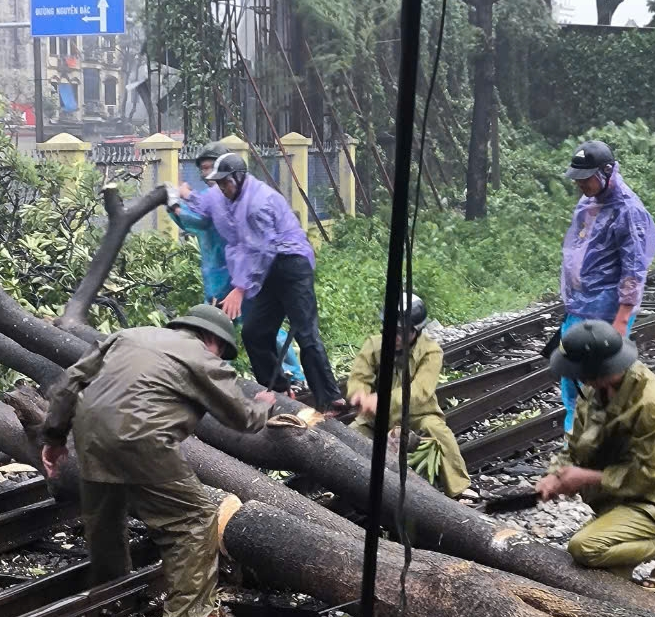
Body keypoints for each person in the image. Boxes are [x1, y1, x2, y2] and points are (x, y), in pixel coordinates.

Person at [40, 304, 275, 617]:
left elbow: (68, 384)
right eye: (222, 348)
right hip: (142, 439)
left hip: (89, 433)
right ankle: (187, 616)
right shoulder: (204, 358)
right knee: (194, 518)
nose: (220, 355)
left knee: (103, 517)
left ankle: (111, 599)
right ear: (212, 339)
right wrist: (263, 406)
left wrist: (52, 437)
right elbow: (243, 419)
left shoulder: (124, 337)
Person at [180, 153, 345, 413]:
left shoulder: (258, 202)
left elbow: (263, 249)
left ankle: (330, 398)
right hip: (267, 271)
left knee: (305, 332)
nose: (222, 189)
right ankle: (278, 390)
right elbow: (208, 208)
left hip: (290, 265)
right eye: (219, 184)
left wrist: (241, 288)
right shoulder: (229, 197)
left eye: (225, 183)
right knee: (255, 332)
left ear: (238, 177)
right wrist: (186, 196)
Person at [536, 319, 655, 596]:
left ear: (598, 370)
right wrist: (556, 473)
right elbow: (575, 445)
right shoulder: (594, 390)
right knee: (603, 582)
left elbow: (651, 475)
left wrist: (587, 477)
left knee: (584, 548)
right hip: (620, 497)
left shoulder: (651, 405)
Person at [166, 141, 305, 389]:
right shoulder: (220, 195)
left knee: (256, 329)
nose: (206, 173)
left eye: (210, 167)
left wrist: (175, 204)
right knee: (239, 329)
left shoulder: (223, 197)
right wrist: (180, 200)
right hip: (223, 276)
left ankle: (289, 376)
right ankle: (227, 378)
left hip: (236, 278)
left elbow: (195, 221)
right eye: (204, 169)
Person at [559, 139, 655, 434]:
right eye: (577, 178)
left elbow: (634, 269)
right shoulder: (588, 202)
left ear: (606, 171)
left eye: (585, 178)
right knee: (572, 383)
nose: (581, 184)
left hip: (606, 313)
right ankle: (574, 444)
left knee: (601, 389)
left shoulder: (628, 210)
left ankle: (603, 451)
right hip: (578, 307)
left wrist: (621, 320)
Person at [346, 293, 472, 499]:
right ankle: (348, 486)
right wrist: (360, 395)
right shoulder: (373, 345)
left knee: (438, 431)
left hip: (417, 416)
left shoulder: (431, 351)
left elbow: (421, 390)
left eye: (402, 332)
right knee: (350, 435)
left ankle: (459, 487)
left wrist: (382, 401)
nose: (396, 338)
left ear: (416, 330)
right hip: (376, 420)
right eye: (392, 331)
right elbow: (359, 376)